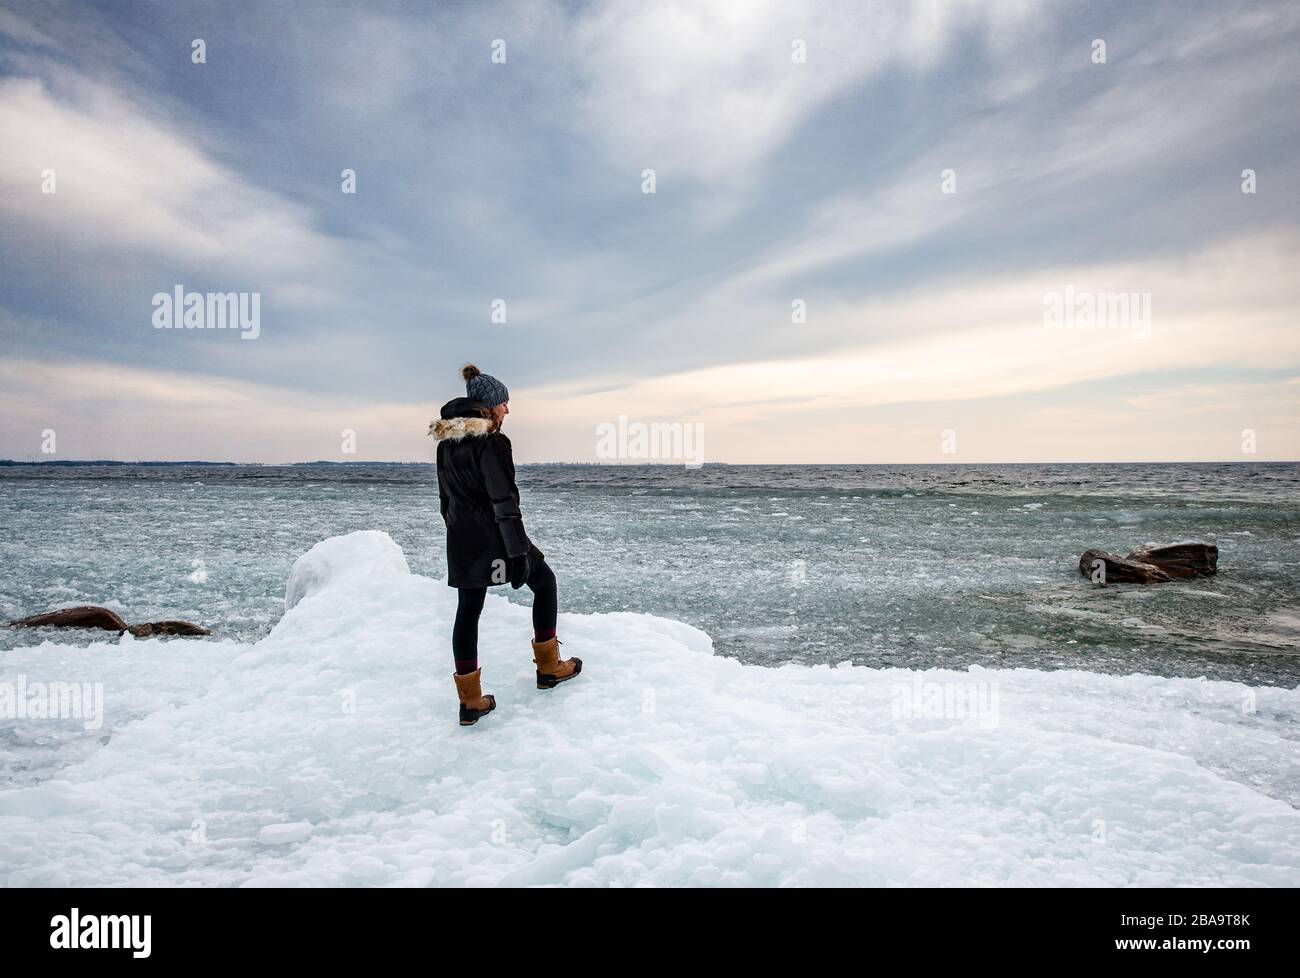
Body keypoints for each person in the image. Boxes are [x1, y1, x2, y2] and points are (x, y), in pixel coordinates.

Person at [428, 364, 582, 726]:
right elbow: (504, 501)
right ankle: (549, 668)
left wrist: (459, 533)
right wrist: (516, 553)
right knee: (544, 583)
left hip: (462, 539)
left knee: (468, 610)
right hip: (498, 536)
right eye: (504, 403)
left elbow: (444, 502)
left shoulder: (446, 444)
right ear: (489, 406)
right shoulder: (493, 442)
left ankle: (470, 701)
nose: (507, 410)